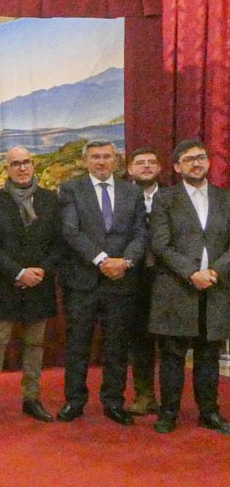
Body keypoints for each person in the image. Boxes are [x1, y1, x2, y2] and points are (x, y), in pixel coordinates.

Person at [57, 139, 148, 426]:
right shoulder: (72, 189)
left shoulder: (131, 192)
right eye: (95, 157)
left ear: (116, 160)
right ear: (86, 161)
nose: (101, 162)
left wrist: (126, 261)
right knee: (78, 345)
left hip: (121, 280)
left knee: (116, 346)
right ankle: (74, 401)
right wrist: (101, 259)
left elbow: (141, 234)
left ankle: (113, 402)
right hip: (83, 281)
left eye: (106, 157)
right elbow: (70, 231)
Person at [148, 140, 230, 435]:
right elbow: (159, 244)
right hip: (177, 287)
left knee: (208, 355)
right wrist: (191, 272)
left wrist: (215, 271)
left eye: (201, 157)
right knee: (172, 355)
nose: (197, 163)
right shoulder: (165, 200)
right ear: (176, 167)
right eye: (189, 159)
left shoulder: (225, 198)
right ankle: (169, 412)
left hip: (216, 288)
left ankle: (209, 412)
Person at [0, 147, 62, 423]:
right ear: (8, 169)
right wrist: (18, 272)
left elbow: (59, 242)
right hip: (4, 284)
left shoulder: (51, 200)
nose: (22, 168)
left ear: (33, 165)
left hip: (40, 282)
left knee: (35, 344)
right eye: (15, 164)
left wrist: (41, 271)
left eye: (26, 163)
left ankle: (32, 399)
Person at [125, 146, 162, 416]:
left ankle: (171, 398)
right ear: (130, 169)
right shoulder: (121, 196)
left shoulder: (174, 196)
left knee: (170, 339)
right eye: (140, 163)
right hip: (133, 276)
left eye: (151, 163)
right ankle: (144, 393)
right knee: (139, 338)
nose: (146, 167)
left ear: (160, 168)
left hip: (168, 276)